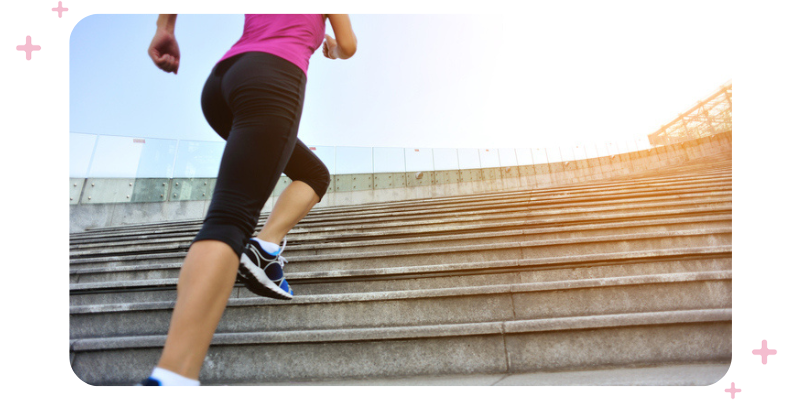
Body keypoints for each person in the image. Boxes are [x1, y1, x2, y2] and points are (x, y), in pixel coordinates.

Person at [138, 14, 357, 386]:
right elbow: (348, 45)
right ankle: (172, 378)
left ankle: (265, 249)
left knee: (314, 174)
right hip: (273, 76)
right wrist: (333, 49)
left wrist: (166, 28)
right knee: (229, 219)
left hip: (223, 82)